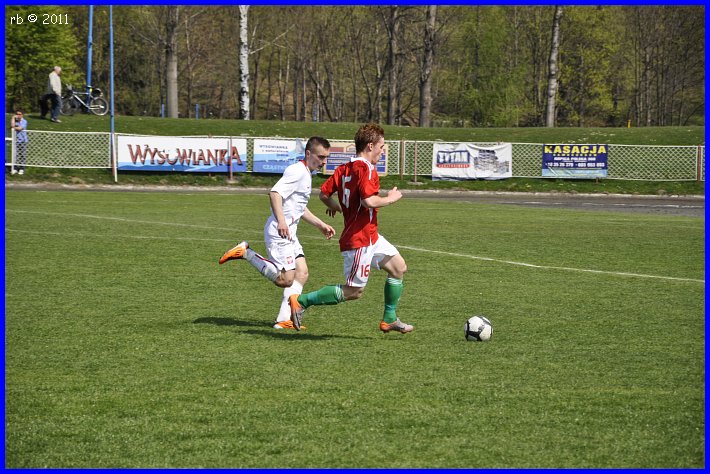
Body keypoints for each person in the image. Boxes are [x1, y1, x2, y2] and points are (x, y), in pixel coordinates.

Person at [288, 122, 413, 334]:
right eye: (381, 147)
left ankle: (389, 319)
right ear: (370, 146)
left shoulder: (344, 168)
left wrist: (338, 207)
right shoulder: (367, 169)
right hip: (359, 239)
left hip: (370, 235)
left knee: (398, 267)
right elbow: (368, 201)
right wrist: (391, 198)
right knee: (354, 291)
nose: (382, 151)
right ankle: (301, 301)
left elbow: (323, 195)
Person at [218, 137, 336, 329]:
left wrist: (320, 224)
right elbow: (275, 194)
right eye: (321, 157)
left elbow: (298, 207)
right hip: (280, 232)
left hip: (290, 233)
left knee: (302, 273)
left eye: (326, 157)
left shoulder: (306, 173)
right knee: (285, 280)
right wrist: (281, 221)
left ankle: (283, 319)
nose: (324, 161)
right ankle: (246, 253)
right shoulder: (297, 171)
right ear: (308, 154)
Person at [9, 110, 28, 175]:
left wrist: (13, 127)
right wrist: (13, 118)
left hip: (23, 140)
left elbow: (20, 128)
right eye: (17, 114)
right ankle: (15, 168)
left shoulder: (24, 121)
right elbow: (12, 125)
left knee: (22, 155)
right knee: (15, 155)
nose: (18, 115)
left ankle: (22, 168)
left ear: (22, 115)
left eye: (19, 114)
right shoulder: (15, 121)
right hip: (16, 141)